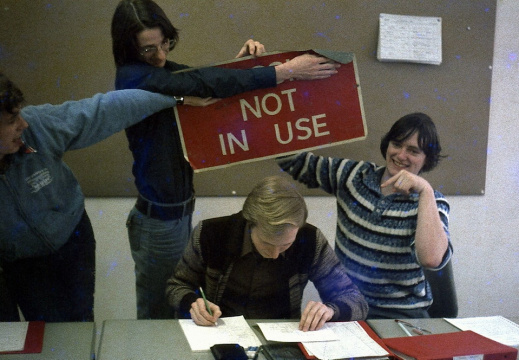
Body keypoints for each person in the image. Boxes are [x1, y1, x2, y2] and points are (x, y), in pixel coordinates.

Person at [111, 0, 341, 319]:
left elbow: (206, 86)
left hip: (175, 213)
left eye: (164, 43)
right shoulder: (133, 77)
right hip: (159, 221)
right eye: (149, 50)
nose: (161, 56)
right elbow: (202, 83)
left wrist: (241, 68)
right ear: (128, 49)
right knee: (161, 317)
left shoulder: (160, 75)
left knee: (173, 312)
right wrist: (286, 72)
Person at [0, 71, 203, 322]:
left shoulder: (37, 126)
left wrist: (177, 97)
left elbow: (103, 110)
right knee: (45, 329)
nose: (23, 124)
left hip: (72, 238)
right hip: (22, 261)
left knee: (80, 320)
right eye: (11, 120)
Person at [276, 113, 453, 319]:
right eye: (397, 144)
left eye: (413, 151)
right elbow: (290, 160)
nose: (401, 155)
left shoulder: (432, 203)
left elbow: (431, 259)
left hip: (400, 316)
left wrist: (426, 191)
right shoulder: (353, 175)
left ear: (427, 159)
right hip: (347, 308)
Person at [166, 176, 368, 331]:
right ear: (250, 224)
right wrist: (192, 304)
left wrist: (331, 310)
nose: (273, 254)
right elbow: (176, 286)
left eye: (285, 245)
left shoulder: (309, 240)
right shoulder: (211, 234)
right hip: (218, 332)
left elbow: (356, 300)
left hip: (281, 336)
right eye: (267, 244)